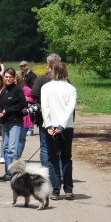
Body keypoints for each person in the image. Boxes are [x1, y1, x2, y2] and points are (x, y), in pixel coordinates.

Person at [41, 61, 77, 200]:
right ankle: (68, 189)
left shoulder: (46, 87)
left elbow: (45, 107)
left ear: (52, 72)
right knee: (66, 157)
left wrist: (50, 126)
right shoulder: (71, 88)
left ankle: (55, 191)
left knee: (52, 158)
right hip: (66, 127)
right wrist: (61, 126)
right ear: (66, 72)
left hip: (50, 127)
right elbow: (70, 109)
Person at [30, 53, 62, 170]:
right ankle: (60, 172)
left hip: (44, 116)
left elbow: (33, 94)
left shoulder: (42, 79)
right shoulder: (65, 80)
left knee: (44, 146)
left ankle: (47, 171)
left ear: (48, 64)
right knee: (59, 145)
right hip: (60, 116)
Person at [0, 68, 28, 181]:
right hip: (5, 122)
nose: (8, 79)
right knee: (5, 147)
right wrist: (0, 113)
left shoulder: (18, 90)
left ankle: (12, 173)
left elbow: (23, 103)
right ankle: (7, 172)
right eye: (6, 77)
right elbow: (0, 104)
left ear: (14, 78)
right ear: (4, 77)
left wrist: (8, 110)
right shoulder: (4, 91)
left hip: (15, 122)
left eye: (10, 77)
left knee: (12, 149)